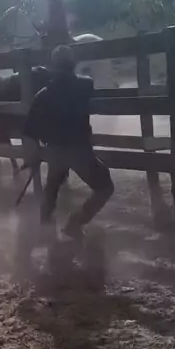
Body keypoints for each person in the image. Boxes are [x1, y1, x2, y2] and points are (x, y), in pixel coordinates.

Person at [22, 45, 114, 239]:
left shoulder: (42, 95)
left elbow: (29, 131)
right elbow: (88, 83)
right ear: (73, 64)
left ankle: (44, 228)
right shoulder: (85, 85)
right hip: (80, 151)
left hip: (56, 152)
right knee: (105, 188)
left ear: (53, 67)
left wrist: (33, 155)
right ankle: (75, 222)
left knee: (52, 188)